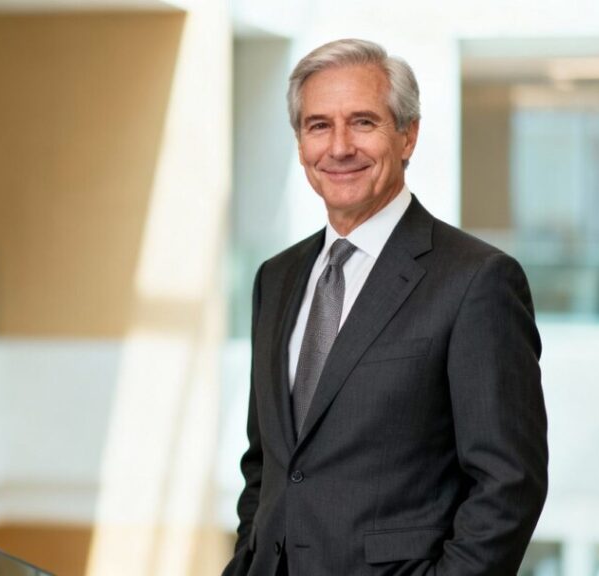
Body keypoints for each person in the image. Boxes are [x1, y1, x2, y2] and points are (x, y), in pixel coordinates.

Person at [223, 38, 548, 576]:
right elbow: (267, 468)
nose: (339, 147)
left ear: (407, 135)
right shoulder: (275, 279)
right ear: (300, 143)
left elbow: (509, 485)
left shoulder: (477, 280)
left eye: (363, 122)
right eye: (319, 125)